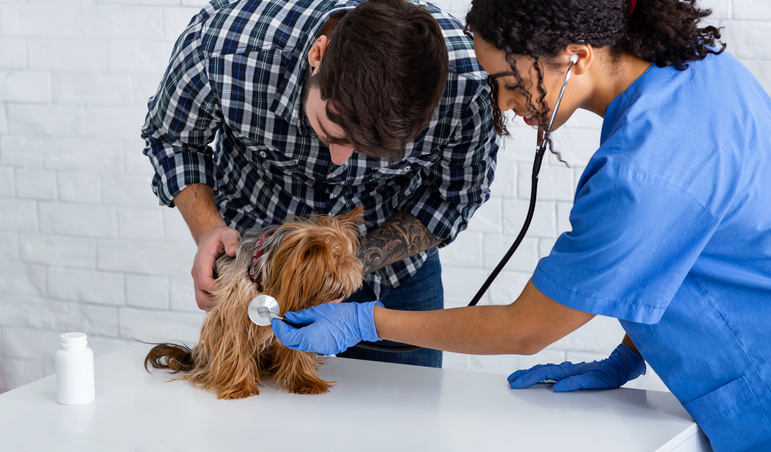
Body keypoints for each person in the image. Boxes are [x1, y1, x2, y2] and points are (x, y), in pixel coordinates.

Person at [270, 0, 771, 450]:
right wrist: (630, 350)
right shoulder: (702, 73)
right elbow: (693, 247)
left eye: (510, 83)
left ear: (575, 55)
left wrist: (365, 321)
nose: (505, 104)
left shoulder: (641, 173)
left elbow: (525, 327)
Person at [141, 0, 497, 369]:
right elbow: (174, 138)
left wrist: (342, 268)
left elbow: (452, 198)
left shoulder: (467, 85)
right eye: (333, 130)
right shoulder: (222, 49)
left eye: (371, 150)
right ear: (318, 54)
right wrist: (207, 228)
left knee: (407, 413)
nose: (341, 158)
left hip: (395, 275)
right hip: (258, 276)